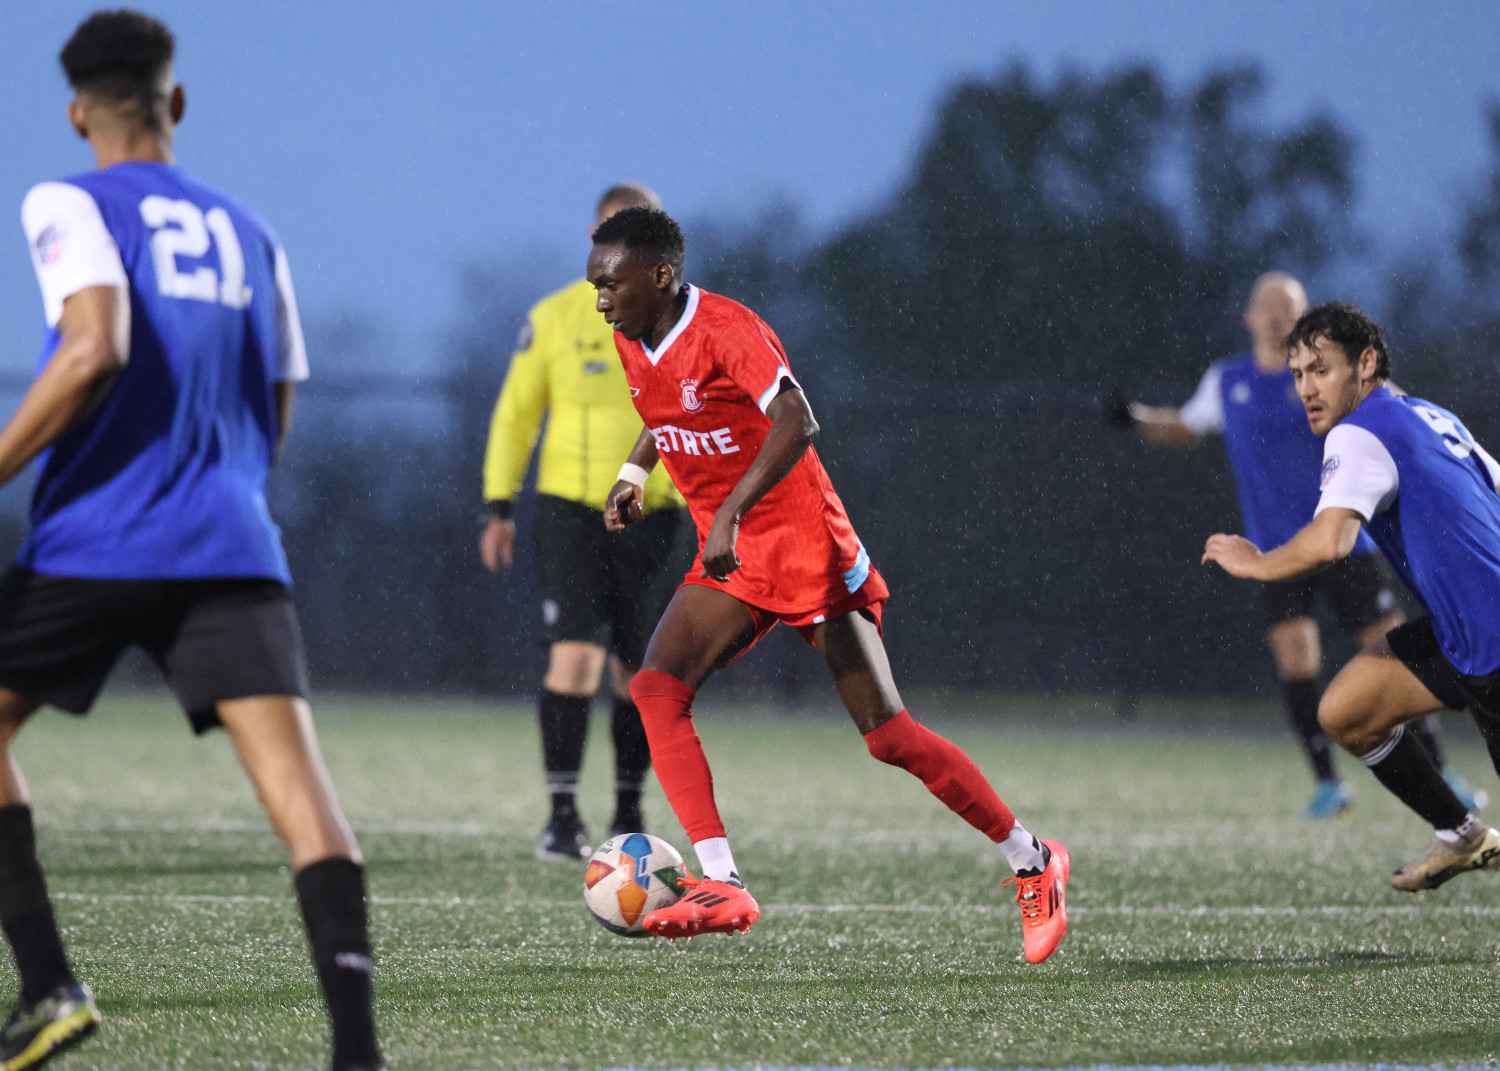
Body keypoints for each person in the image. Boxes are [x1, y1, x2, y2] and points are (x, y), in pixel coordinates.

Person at [0, 12, 379, 1070]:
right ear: (175, 103)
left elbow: (91, 349)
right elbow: (278, 400)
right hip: (232, 547)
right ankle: (358, 1056)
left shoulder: (66, 198)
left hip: (94, 545)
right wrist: (220, 486)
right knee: (307, 806)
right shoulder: (253, 234)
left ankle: (48, 986)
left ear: (78, 111)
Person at [587, 207, 1071, 964]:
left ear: (661, 275)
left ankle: (1034, 859)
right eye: (594, 285)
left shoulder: (729, 329)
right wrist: (634, 470)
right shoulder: (630, 336)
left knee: (888, 736)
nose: (600, 300)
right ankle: (723, 880)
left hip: (804, 539)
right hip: (735, 553)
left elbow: (795, 417)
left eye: (610, 284)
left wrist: (730, 513)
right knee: (656, 687)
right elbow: (668, 406)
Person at [1111, 273, 1479, 818]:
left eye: (1291, 309)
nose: (1279, 317)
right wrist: (1136, 420)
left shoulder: (1329, 381)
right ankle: (1328, 784)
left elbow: (1393, 409)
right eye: (1269, 308)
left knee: (1390, 646)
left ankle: (1441, 769)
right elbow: (1184, 425)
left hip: (1343, 540)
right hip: (1278, 553)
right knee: (1297, 658)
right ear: (1250, 317)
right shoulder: (1227, 381)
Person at [1203, 302, 1500, 891]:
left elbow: (1331, 540)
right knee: (1347, 712)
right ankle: (1462, 837)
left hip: (1493, 644)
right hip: (1463, 635)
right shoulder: (1426, 415)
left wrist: (1259, 562)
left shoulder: (1361, 431)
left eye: (1321, 369)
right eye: (1297, 375)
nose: (1307, 389)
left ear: (1366, 364)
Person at [480, 184, 689, 861]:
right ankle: (562, 814)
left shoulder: (679, 319)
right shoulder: (555, 317)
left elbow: (709, 410)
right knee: (573, 657)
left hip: (654, 512)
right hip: (571, 508)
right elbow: (517, 413)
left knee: (640, 671)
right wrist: (499, 505)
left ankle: (628, 807)